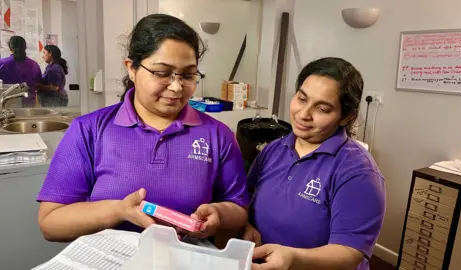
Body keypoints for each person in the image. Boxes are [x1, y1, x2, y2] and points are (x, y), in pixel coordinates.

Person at [36, 14, 249, 242]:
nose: (177, 87)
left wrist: (219, 215)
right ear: (132, 69)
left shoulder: (217, 135)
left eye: (187, 75)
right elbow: (51, 223)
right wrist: (119, 211)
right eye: (162, 73)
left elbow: (238, 208)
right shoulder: (89, 130)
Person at [243, 58, 386, 270]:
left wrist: (292, 258)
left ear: (346, 117)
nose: (303, 114)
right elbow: (247, 196)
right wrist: (246, 225)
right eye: (302, 99)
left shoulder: (358, 172)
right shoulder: (275, 149)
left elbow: (349, 252)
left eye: (322, 109)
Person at [0, 36, 42, 107]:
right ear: (25, 47)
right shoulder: (34, 64)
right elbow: (38, 83)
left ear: (10, 48)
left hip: (8, 102)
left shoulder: (2, 63)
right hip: (28, 102)